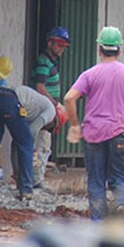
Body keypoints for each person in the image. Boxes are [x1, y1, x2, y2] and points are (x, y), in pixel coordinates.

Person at [64, 26, 124, 220]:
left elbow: (69, 98)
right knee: (121, 179)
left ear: (99, 50)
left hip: (93, 135)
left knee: (96, 182)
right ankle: (122, 206)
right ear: (119, 50)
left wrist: (74, 125)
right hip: (119, 135)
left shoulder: (89, 75)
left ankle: (98, 227)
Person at [30, 26, 71, 183]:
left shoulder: (50, 62)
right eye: (58, 45)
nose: (61, 49)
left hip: (48, 108)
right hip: (44, 109)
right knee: (42, 144)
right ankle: (36, 180)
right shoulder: (43, 62)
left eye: (63, 46)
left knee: (45, 144)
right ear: (50, 43)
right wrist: (55, 104)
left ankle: (37, 179)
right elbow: (40, 88)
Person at [0, 66, 34, 199]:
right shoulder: (49, 111)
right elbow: (31, 131)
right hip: (9, 101)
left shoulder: (2, 84)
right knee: (26, 142)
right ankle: (26, 188)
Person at [12, 85, 66, 188]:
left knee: (17, 142)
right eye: (50, 128)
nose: (46, 129)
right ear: (54, 121)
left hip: (13, 99)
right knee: (25, 145)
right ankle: (26, 181)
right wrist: (32, 151)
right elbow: (31, 132)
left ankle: (19, 176)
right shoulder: (51, 112)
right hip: (16, 101)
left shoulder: (35, 111)